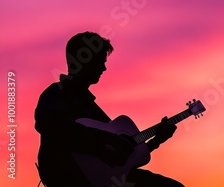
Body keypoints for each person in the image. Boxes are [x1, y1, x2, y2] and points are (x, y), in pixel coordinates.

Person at [34, 31, 184, 187]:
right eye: (100, 61)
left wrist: (157, 140)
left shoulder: (93, 109)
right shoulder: (56, 94)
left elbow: (122, 160)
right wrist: (111, 139)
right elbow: (52, 126)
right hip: (71, 179)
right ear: (84, 59)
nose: (104, 68)